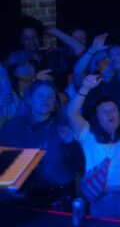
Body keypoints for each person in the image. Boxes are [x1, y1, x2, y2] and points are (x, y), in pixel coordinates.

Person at [68, 69, 120, 222]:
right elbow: (72, 113)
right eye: (103, 111)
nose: (110, 114)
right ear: (96, 117)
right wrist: (85, 88)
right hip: (101, 198)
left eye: (113, 110)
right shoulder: (88, 134)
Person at [0, 79, 78, 209]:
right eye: (40, 95)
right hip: (19, 197)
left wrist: (71, 142)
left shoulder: (64, 127)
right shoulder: (12, 126)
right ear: (29, 100)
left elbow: (78, 164)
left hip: (58, 194)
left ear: (55, 104)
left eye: (51, 97)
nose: (46, 100)